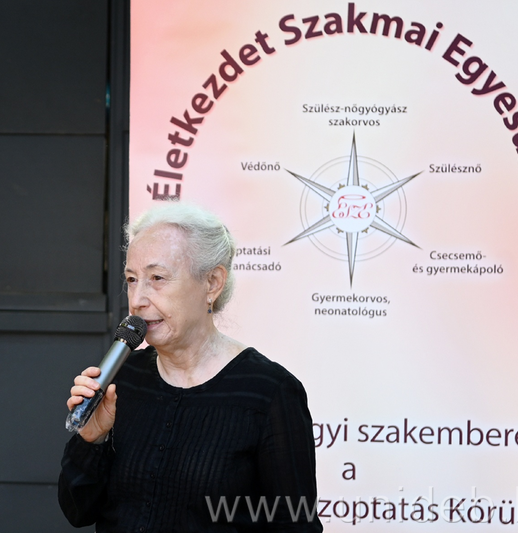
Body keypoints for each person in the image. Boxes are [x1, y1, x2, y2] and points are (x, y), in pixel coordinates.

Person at [59, 203, 322, 532]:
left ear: (212, 283)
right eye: (132, 279)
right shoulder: (122, 378)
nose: (137, 299)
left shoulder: (268, 392)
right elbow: (78, 512)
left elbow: (295, 525)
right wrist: (91, 441)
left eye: (157, 278)